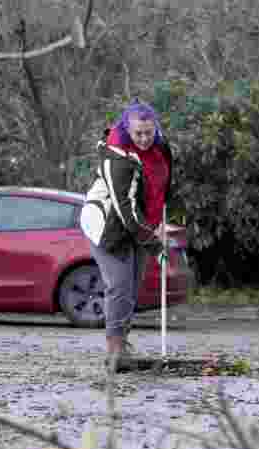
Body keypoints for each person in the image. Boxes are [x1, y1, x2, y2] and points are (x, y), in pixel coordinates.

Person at [79, 101, 174, 372]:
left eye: (149, 132)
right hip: (108, 224)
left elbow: (164, 186)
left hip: (139, 224)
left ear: (155, 127)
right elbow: (126, 211)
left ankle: (123, 343)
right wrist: (156, 245)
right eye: (138, 134)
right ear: (127, 130)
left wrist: (161, 223)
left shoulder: (161, 147)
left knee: (132, 287)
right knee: (119, 285)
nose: (144, 139)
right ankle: (115, 351)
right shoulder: (117, 158)